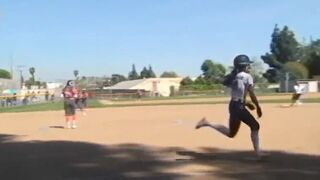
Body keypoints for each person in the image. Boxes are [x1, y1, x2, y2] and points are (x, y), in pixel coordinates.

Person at [195, 54, 264, 158]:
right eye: (248, 65)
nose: (249, 67)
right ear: (244, 65)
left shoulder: (233, 77)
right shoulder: (247, 77)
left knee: (231, 134)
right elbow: (251, 93)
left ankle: (207, 123)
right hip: (239, 107)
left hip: (233, 105)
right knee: (255, 126)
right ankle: (258, 154)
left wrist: (246, 103)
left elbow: (237, 92)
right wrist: (258, 107)